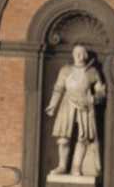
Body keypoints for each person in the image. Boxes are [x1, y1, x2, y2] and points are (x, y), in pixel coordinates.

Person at [45, 43, 106, 176]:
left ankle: (76, 167)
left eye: (81, 53)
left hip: (85, 106)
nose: (78, 55)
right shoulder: (65, 70)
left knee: (83, 138)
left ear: (85, 55)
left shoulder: (92, 71)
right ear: (73, 55)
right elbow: (58, 88)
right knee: (63, 138)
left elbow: (101, 90)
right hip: (68, 104)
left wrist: (95, 98)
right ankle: (62, 166)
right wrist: (53, 104)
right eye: (76, 53)